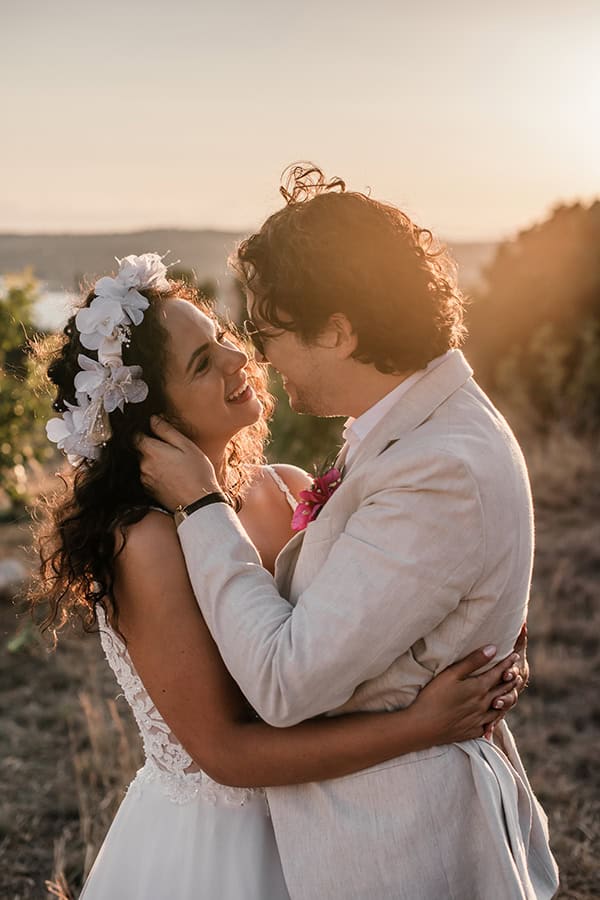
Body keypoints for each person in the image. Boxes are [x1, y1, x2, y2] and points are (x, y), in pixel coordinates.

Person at [32, 253, 525, 900]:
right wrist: (426, 725)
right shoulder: (145, 542)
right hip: (219, 850)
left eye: (222, 340)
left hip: (340, 822)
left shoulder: (288, 489)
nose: (239, 361)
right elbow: (227, 755)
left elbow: (360, 628)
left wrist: (482, 638)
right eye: (202, 364)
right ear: (151, 419)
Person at [138, 167, 560, 900]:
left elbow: (281, 681)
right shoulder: (414, 426)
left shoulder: (441, 468)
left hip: (399, 850)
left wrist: (204, 509)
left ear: (336, 330)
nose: (260, 358)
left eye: (269, 334)